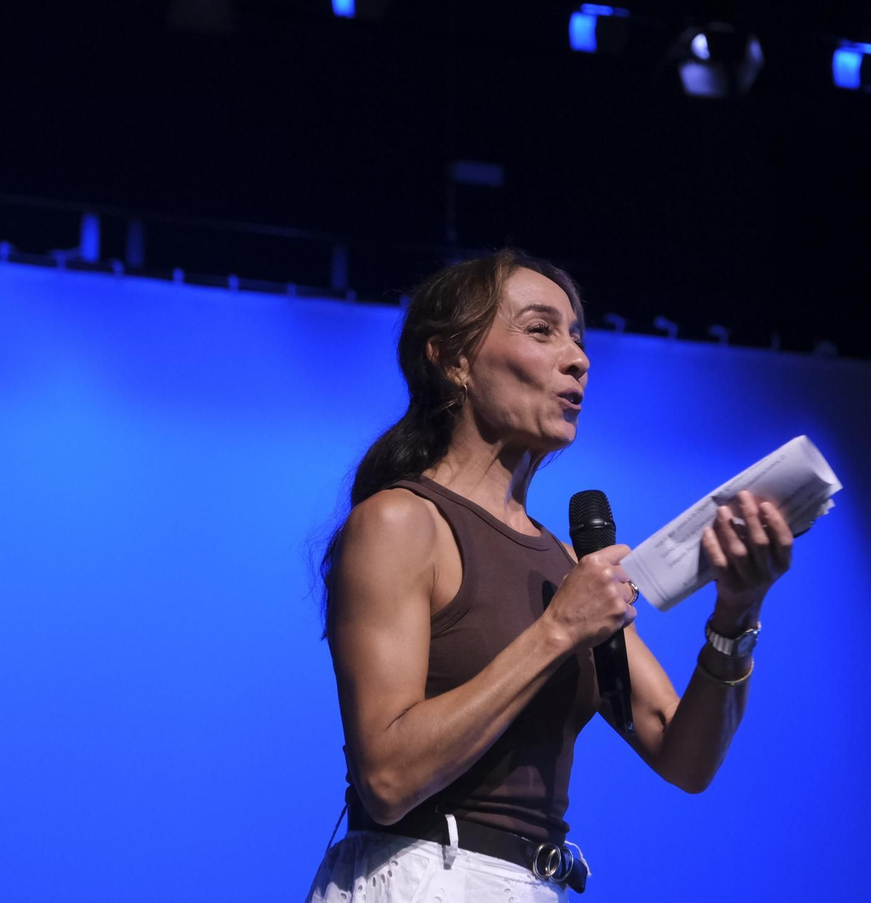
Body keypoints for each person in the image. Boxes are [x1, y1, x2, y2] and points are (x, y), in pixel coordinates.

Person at [307, 249, 793, 902]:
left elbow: (685, 757)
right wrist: (557, 629)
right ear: (452, 361)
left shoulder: (564, 563)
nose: (578, 358)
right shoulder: (401, 521)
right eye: (541, 330)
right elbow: (388, 779)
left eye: (577, 337)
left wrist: (736, 613)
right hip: (423, 874)